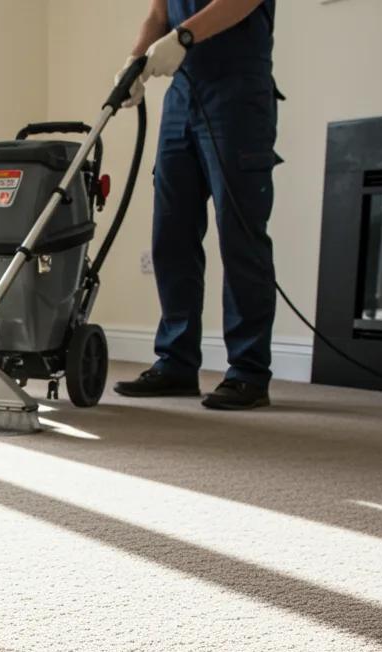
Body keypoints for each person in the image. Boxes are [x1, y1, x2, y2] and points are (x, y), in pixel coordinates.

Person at [114, 0, 280, 410]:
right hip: (182, 94)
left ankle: (248, 371)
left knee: (241, 237)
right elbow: (158, 14)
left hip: (238, 93)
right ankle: (176, 362)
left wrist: (184, 36)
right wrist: (135, 61)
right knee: (171, 235)